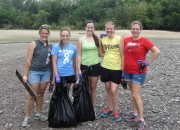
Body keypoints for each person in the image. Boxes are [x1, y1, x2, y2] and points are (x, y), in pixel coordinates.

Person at [121, 21, 160, 130]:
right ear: (131, 29)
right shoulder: (126, 40)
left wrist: (148, 62)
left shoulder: (144, 41)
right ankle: (135, 114)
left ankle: (141, 119)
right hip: (127, 72)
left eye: (137, 29)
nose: (135, 30)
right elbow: (117, 46)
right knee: (133, 94)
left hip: (139, 72)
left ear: (140, 30)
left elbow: (157, 52)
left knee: (135, 95)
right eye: (133, 28)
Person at [22, 24, 53, 127]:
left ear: (49, 34)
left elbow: (52, 62)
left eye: (46, 33)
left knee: (40, 94)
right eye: (43, 33)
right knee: (32, 94)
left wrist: (52, 77)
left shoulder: (50, 46)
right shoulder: (33, 44)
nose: (44, 35)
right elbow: (28, 60)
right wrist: (25, 75)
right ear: (40, 33)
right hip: (34, 72)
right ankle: (27, 117)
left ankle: (38, 114)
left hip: (46, 72)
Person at [100, 21, 123, 122]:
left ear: (114, 29)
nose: (109, 30)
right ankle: (109, 108)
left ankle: (116, 111)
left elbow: (123, 55)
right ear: (105, 29)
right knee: (108, 88)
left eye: (111, 28)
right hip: (105, 66)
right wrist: (100, 41)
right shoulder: (103, 39)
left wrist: (123, 68)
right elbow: (101, 53)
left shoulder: (119, 39)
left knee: (114, 90)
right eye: (107, 28)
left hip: (116, 68)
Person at [77, 19, 102, 108]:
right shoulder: (81, 40)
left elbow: (101, 53)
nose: (90, 29)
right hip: (84, 66)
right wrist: (78, 68)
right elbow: (79, 55)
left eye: (91, 27)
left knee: (93, 87)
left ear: (94, 28)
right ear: (85, 28)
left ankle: (92, 107)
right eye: (88, 27)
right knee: (85, 87)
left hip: (95, 66)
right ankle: (84, 106)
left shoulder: (97, 39)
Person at [51, 28, 77, 93]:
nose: (65, 38)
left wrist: (74, 74)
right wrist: (56, 76)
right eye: (63, 36)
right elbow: (54, 62)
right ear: (60, 36)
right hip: (60, 74)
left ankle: (66, 103)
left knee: (66, 93)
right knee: (59, 94)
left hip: (69, 73)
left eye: (67, 36)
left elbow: (74, 63)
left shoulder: (73, 48)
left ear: (69, 36)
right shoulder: (56, 47)